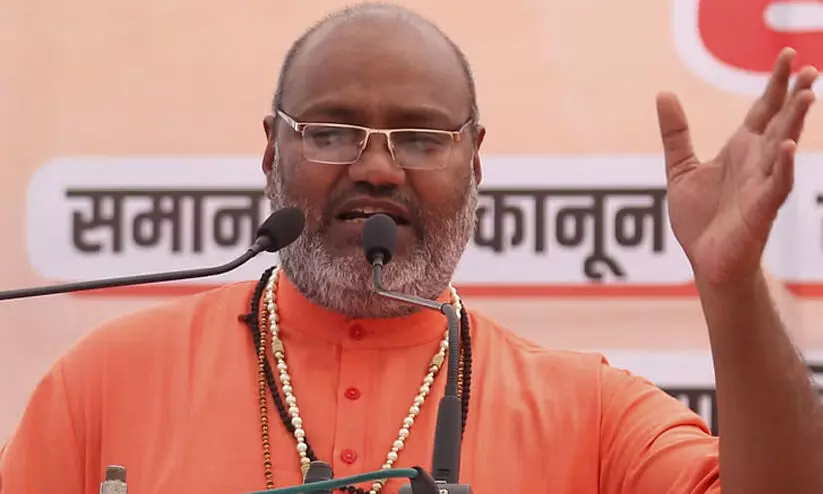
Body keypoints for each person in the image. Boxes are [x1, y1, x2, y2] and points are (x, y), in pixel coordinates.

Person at [1, 3, 822, 493]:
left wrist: (730, 284)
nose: (377, 168)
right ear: (270, 151)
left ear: (475, 164)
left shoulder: (589, 412)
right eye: (331, 132)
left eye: (422, 139)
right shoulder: (105, 383)